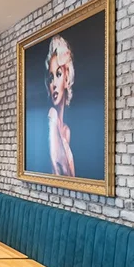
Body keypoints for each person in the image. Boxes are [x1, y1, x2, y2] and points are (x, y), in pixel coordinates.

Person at [46, 34, 76, 176]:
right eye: (51, 77)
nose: (54, 84)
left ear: (66, 79)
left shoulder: (66, 130)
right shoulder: (52, 117)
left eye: (58, 74)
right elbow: (57, 166)